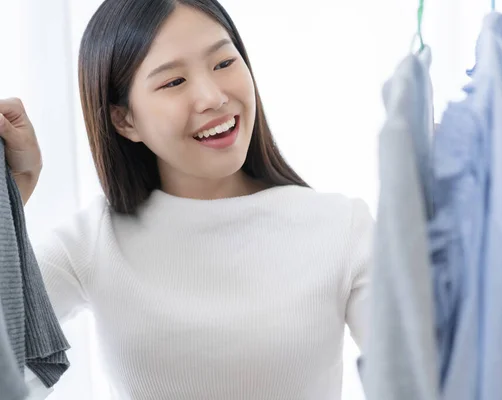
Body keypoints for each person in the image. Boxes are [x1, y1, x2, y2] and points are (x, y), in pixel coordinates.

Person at [0, 0, 373, 399]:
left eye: (224, 63)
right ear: (124, 120)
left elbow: (420, 377)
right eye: (173, 82)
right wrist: (12, 199)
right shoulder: (93, 241)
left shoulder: (341, 227)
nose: (213, 97)